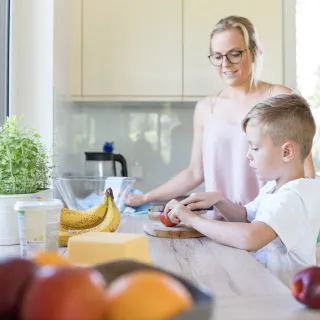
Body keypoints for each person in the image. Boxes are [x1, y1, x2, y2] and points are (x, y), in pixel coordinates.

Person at [126, 15, 315, 218]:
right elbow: (194, 173)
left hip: (271, 228)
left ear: (252, 52)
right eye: (217, 56)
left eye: (234, 53)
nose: (225, 63)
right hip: (220, 228)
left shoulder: (281, 98)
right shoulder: (205, 108)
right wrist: (145, 198)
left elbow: (306, 173)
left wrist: (301, 223)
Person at [163, 93, 320, 287]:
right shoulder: (274, 188)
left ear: (286, 152)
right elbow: (247, 218)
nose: (248, 155)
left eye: (254, 148)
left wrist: (193, 220)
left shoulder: (295, 197)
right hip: (268, 292)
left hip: (284, 301)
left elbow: (251, 237)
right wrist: (219, 199)